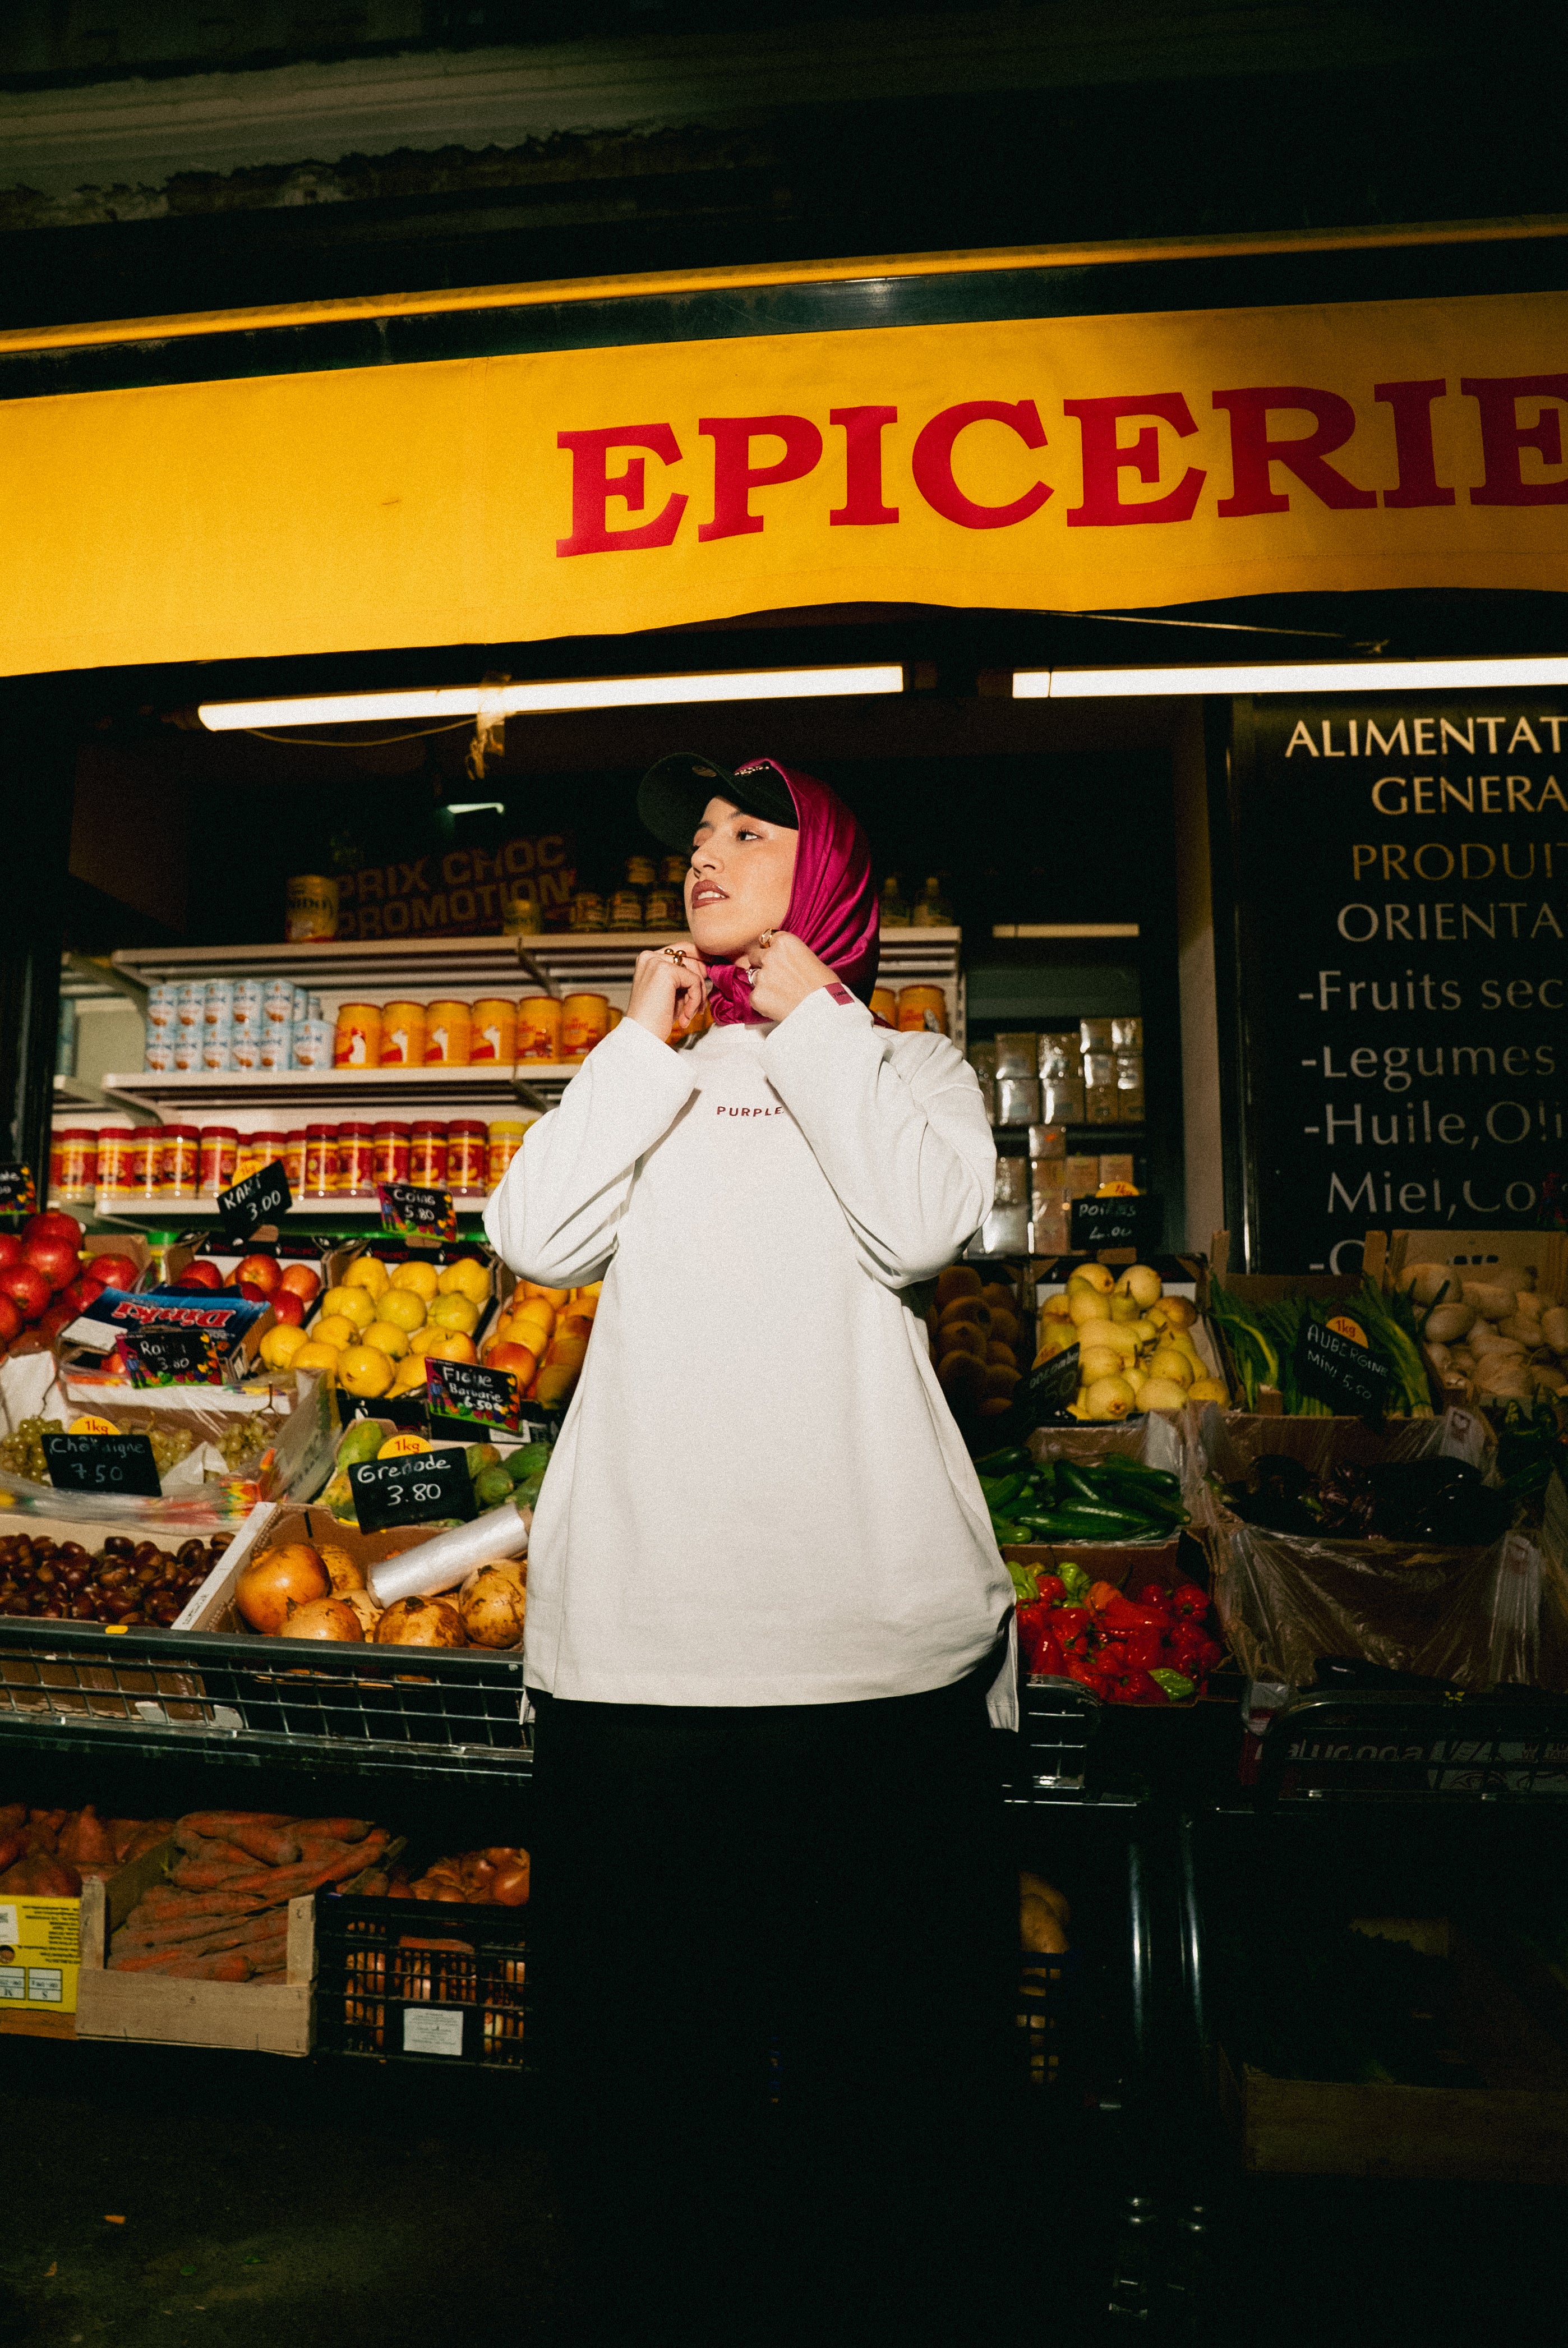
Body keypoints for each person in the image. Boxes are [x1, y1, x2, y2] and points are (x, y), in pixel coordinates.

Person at [485, 754, 1018, 2346]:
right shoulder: (651, 1074)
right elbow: (532, 1236)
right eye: (696, 838)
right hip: (641, 1658)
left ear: (827, 867)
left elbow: (920, 1227)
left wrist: (818, 1023)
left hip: (872, 1660)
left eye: (744, 830)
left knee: (887, 2084)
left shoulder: (906, 1067)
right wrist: (634, 1052)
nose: (702, 856)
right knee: (648, 2089)